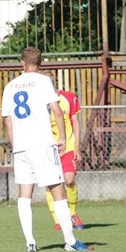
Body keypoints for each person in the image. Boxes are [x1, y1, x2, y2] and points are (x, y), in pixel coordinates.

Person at [1, 47, 92, 252]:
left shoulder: (10, 85)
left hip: (21, 148)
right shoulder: (43, 81)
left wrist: (16, 146)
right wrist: (60, 138)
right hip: (42, 144)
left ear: (22, 63)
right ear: (40, 63)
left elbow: (7, 120)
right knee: (58, 191)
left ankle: (30, 243)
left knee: (24, 195)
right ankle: (70, 242)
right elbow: (57, 111)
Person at [44, 75, 84, 230]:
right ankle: (58, 220)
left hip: (67, 147)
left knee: (69, 180)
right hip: (48, 149)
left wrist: (77, 147)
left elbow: (75, 122)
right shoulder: (38, 102)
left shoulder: (68, 97)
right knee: (50, 185)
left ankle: (73, 213)